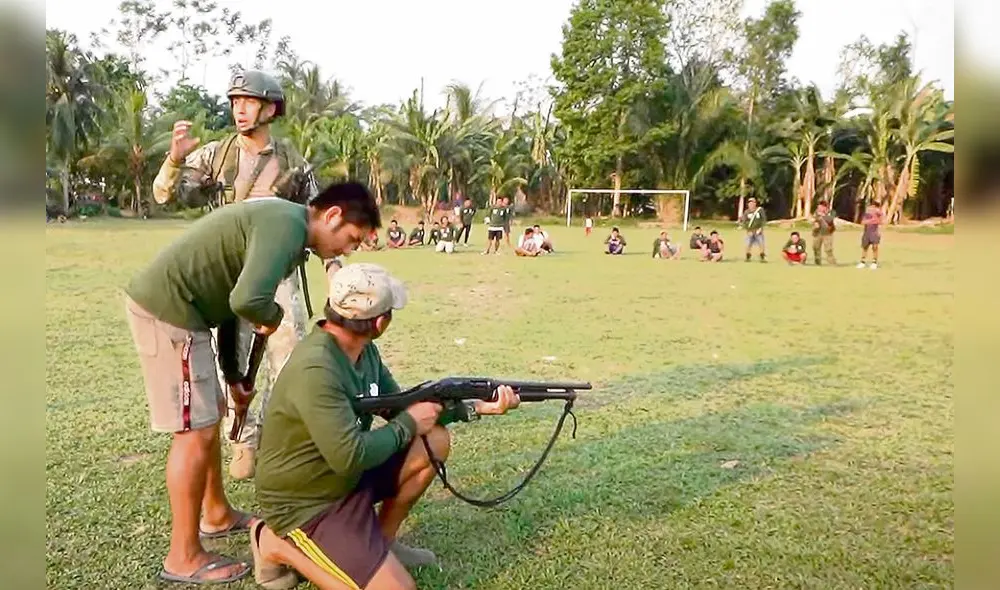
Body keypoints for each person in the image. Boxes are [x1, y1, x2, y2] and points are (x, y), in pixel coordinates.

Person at [123, 183, 381, 585]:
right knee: (194, 432)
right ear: (331, 216)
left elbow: (232, 303)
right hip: (169, 310)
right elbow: (247, 300)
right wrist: (274, 315)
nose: (346, 251)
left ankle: (216, 513)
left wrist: (234, 376)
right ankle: (182, 556)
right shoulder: (287, 226)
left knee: (210, 419)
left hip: (189, 314)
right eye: (351, 239)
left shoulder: (288, 229)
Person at [251, 263, 521, 590]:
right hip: (305, 502)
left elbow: (400, 406)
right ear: (380, 322)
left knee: (434, 440)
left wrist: (476, 408)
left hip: (341, 480)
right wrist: (408, 423)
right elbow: (350, 454)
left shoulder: (364, 352)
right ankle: (274, 543)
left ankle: (382, 542)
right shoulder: (316, 369)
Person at [151, 68, 322, 480]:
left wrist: (335, 269)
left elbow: (317, 220)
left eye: (247, 102)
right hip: (227, 276)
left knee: (289, 362)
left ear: (269, 108)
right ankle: (241, 441)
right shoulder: (216, 155)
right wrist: (174, 160)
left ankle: (274, 439)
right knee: (230, 364)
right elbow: (167, 195)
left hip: (279, 278)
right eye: (234, 102)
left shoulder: (292, 160)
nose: (238, 109)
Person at [739, 197, 767, 262]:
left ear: (755, 203)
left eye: (752, 202)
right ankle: (748, 257)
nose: (751, 204)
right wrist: (748, 230)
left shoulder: (760, 210)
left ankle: (762, 257)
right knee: (748, 244)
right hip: (750, 231)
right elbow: (744, 222)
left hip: (758, 230)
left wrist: (761, 228)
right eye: (750, 203)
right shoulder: (746, 212)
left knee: (761, 244)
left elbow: (763, 220)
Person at [858, 200, 884, 269]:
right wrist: (867, 221)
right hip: (866, 232)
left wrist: (875, 219)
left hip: (874, 232)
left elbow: (881, 220)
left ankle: (874, 262)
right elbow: (862, 221)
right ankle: (862, 262)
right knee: (865, 247)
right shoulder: (867, 212)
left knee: (875, 247)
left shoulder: (878, 212)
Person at [811, 200, 837, 265]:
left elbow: (830, 219)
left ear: (825, 207)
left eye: (821, 207)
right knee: (815, 248)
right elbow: (814, 220)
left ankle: (832, 263)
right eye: (819, 207)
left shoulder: (831, 212)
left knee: (828, 249)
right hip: (817, 233)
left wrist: (822, 215)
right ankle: (817, 262)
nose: (819, 209)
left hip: (827, 233)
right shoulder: (816, 212)